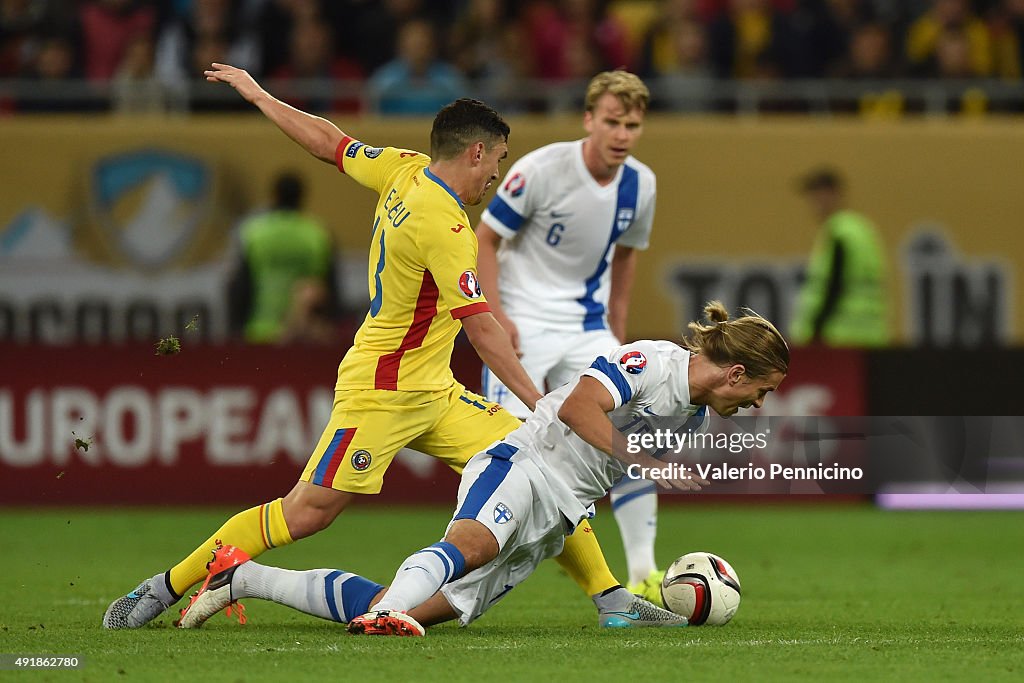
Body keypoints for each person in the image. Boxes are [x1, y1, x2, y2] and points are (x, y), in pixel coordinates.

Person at [103, 63, 631, 630]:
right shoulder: (446, 227)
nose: (497, 176)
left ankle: (614, 602)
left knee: (541, 463)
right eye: (498, 160)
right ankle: (162, 587)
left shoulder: (403, 169)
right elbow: (482, 330)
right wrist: (540, 401)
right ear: (476, 152)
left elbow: (329, 142)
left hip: (434, 389)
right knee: (305, 513)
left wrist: (259, 95)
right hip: (382, 389)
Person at [174, 301, 789, 635]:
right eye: (760, 391)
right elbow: (578, 406)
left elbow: (613, 463)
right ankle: (386, 618)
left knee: (416, 607)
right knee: (470, 542)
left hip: (556, 519)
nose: (757, 405)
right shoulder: (652, 363)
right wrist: (641, 459)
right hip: (524, 464)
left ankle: (244, 580)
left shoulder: (697, 417)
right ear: (737, 373)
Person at [475, 70, 665, 602]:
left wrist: (618, 333)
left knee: (631, 429)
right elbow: (485, 238)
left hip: (585, 326)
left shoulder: (641, 184)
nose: (622, 134)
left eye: (632, 124)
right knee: (511, 447)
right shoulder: (541, 169)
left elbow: (625, 258)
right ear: (589, 120)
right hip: (522, 327)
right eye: (611, 122)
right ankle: (473, 561)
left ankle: (644, 571)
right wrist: (495, 314)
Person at [226, 170, 340, 344]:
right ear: (302, 196)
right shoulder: (317, 233)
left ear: (274, 195)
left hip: (260, 330)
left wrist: (236, 328)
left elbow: (240, 285)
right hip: (304, 335)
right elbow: (329, 286)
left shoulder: (254, 232)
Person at [790, 167, 889, 347]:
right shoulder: (861, 229)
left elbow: (834, 286)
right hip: (871, 333)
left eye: (818, 194)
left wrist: (816, 330)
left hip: (839, 335)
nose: (814, 202)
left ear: (834, 194)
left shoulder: (839, 232)